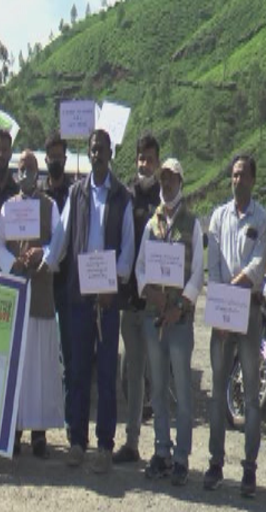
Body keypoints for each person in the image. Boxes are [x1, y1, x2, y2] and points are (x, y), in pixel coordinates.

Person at [41, 129, 135, 474]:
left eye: (102, 150)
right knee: (78, 371)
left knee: (107, 374)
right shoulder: (77, 193)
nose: (97, 155)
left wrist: (116, 283)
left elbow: (128, 248)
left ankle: (105, 447)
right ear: (89, 153)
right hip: (78, 297)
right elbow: (61, 237)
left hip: (107, 301)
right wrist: (44, 261)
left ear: (110, 153)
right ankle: (77, 442)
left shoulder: (122, 196)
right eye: (93, 150)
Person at [134, 158, 203, 486]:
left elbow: (198, 273)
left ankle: (181, 457)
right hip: (153, 317)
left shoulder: (193, 223)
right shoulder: (152, 224)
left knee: (183, 393)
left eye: (172, 178)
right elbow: (140, 267)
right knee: (158, 389)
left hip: (179, 320)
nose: (167, 183)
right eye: (163, 178)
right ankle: (162, 449)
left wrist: (180, 306)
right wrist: (153, 294)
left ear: (181, 181)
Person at [0, 150, 64, 459]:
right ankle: (17, 428)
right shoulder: (9, 207)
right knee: (18, 366)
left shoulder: (50, 206)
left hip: (42, 294)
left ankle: (39, 433)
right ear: (15, 173)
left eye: (31, 168)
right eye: (22, 169)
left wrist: (42, 255)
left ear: (40, 172)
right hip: (16, 294)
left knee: (41, 365)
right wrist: (13, 263)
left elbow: (60, 242)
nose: (27, 174)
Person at [205, 154, 265, 497]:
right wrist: (222, 310)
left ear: (254, 180)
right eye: (234, 174)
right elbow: (213, 267)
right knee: (216, 393)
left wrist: (230, 302)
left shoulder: (263, 218)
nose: (237, 180)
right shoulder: (217, 217)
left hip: (250, 313)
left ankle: (249, 470)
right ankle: (215, 463)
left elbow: (258, 265)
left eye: (243, 175)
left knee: (252, 398)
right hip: (222, 316)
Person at [113, 133, 162, 463]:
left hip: (157, 306)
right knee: (130, 372)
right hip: (129, 301)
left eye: (149, 158)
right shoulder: (126, 196)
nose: (144, 163)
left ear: (158, 161)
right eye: (140, 158)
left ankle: (162, 447)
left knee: (156, 374)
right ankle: (132, 442)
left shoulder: (166, 198)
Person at [42, 131, 73, 439]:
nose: (55, 160)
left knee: (66, 354)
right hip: (40, 286)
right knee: (42, 352)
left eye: (59, 156)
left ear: (65, 157)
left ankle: (66, 417)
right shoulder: (37, 197)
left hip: (65, 285)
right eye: (50, 156)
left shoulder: (74, 195)